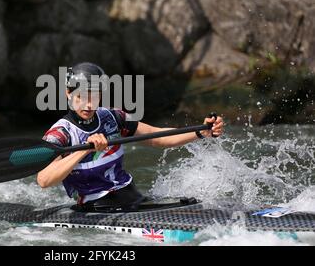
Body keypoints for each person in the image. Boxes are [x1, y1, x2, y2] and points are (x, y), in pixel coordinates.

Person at [37, 62, 224, 212]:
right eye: (81, 97)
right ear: (68, 93)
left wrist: (200, 132)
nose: (88, 104)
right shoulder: (60, 134)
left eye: (94, 97)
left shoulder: (113, 117)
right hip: (97, 207)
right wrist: (83, 150)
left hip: (132, 196)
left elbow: (154, 136)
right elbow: (43, 180)